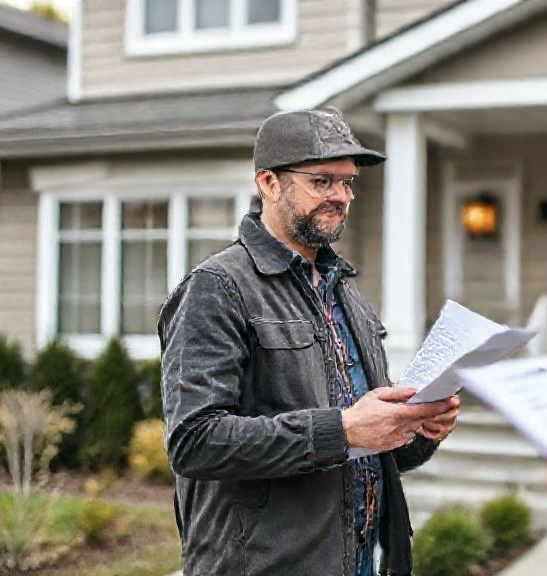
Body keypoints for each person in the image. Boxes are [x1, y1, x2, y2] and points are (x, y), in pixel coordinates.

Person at [158, 108, 459, 576]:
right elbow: (195, 442)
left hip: (363, 561)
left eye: (348, 183)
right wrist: (342, 430)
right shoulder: (218, 287)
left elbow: (368, 450)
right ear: (269, 184)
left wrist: (418, 430)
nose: (341, 196)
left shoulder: (346, 292)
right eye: (323, 181)